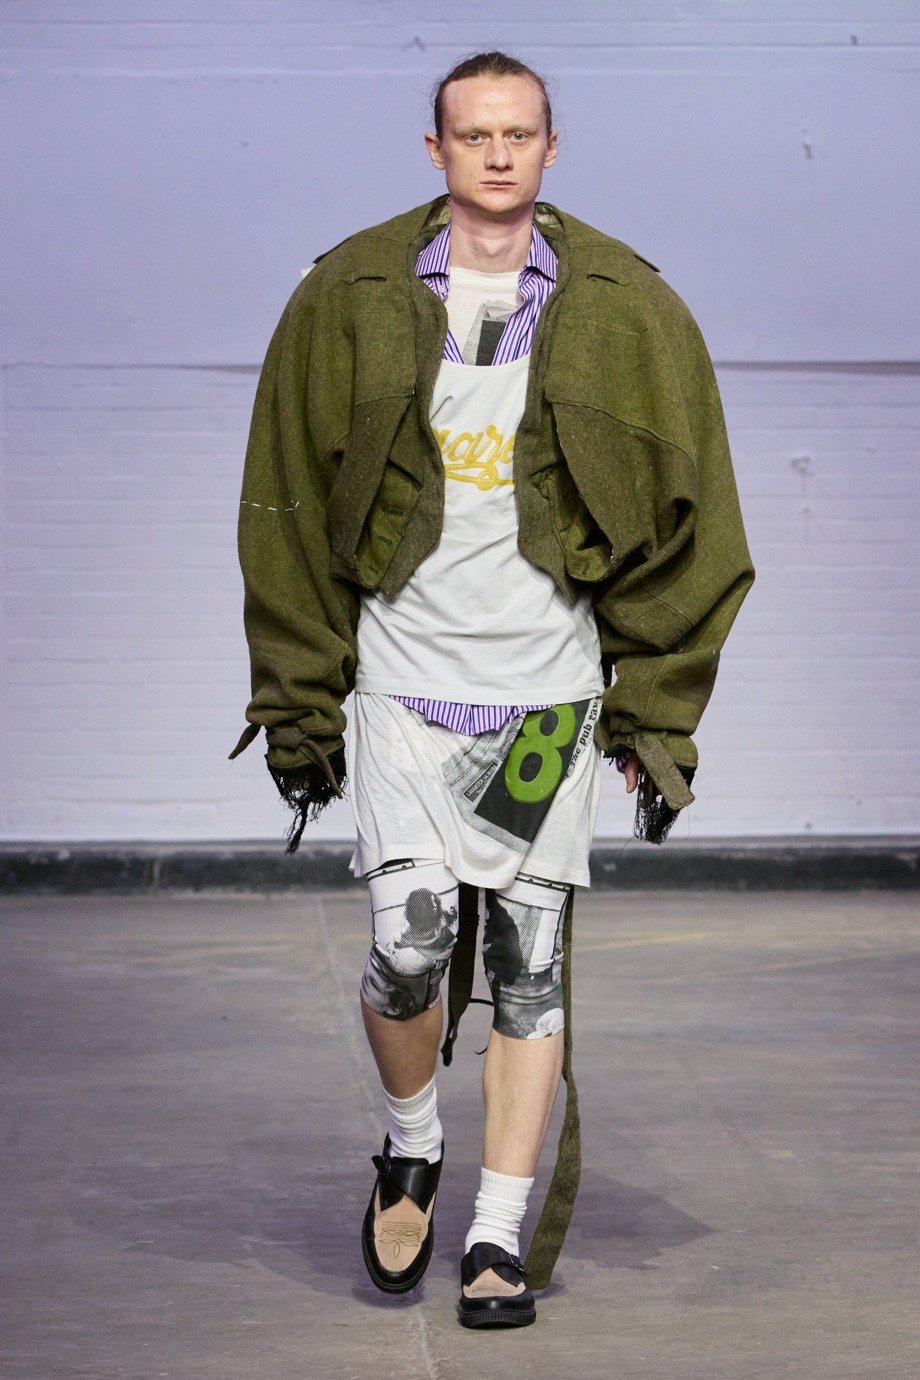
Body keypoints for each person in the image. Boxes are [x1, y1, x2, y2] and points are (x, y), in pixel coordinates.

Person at [231, 51, 754, 1328]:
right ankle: (411, 1143)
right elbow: (283, 504)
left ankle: (495, 1235)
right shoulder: (350, 294)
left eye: (520, 133)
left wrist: (652, 710)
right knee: (408, 949)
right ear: (436, 150)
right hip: (403, 689)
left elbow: (699, 519)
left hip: (547, 704)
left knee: (528, 969)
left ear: (551, 146)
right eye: (474, 135)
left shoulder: (626, 304)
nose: (499, 154)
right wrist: (299, 702)